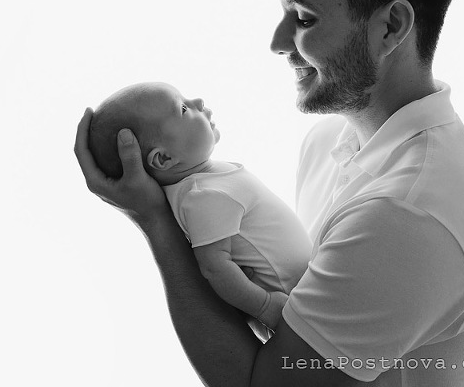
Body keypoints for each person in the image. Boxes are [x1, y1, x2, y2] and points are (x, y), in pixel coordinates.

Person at [75, 0, 464, 387]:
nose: (279, 42)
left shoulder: (407, 212)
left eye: (304, 19)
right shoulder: (328, 143)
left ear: (391, 27)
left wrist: (154, 218)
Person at [89, 81, 312, 339]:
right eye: (183, 108)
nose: (198, 102)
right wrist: (264, 305)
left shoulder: (207, 183)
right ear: (163, 159)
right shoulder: (202, 196)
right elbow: (215, 267)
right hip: (293, 309)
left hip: (306, 295)